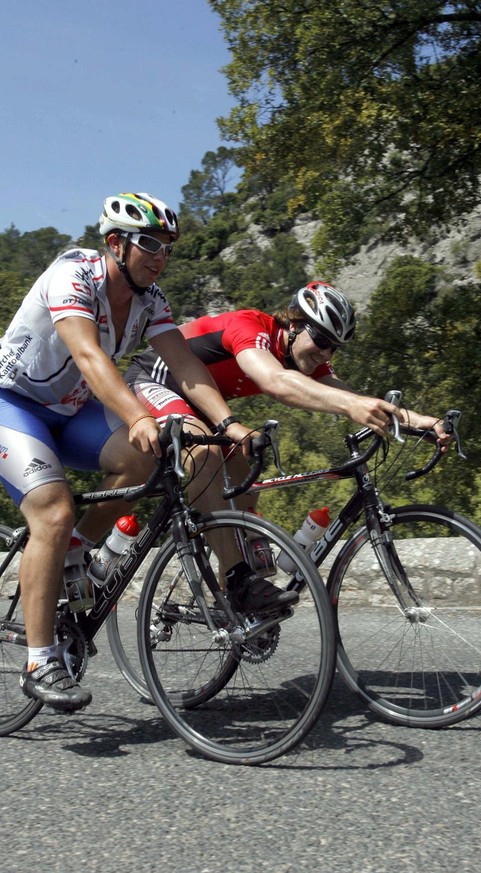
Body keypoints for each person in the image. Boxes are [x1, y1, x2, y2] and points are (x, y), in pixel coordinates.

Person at [0, 191, 293, 715]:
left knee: (155, 458)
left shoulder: (151, 300)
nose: (160, 256)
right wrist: (137, 416)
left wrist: (227, 424)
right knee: (52, 508)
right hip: (12, 403)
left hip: (70, 411)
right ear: (116, 244)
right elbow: (89, 355)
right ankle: (40, 660)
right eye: (150, 244)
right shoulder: (74, 273)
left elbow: (186, 369)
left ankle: (76, 552)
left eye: (167, 248)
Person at [124, 280, 451, 565]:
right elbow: (275, 381)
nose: (326, 355)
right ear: (293, 325)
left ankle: (234, 603)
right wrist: (353, 406)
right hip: (155, 379)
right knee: (206, 456)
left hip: (203, 402)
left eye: (334, 348)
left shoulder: (304, 357)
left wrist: (419, 423)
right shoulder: (250, 327)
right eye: (322, 341)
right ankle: (235, 575)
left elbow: (352, 396)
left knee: (245, 478)